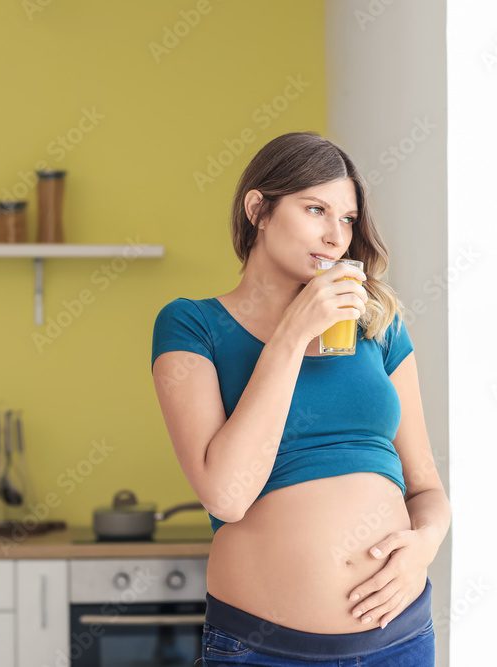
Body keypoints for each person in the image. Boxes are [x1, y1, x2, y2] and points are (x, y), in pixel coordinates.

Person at [151, 132, 451, 666]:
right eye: (316, 209)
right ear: (258, 209)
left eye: (348, 219)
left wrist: (424, 544)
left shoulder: (378, 327)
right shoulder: (192, 325)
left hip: (397, 639)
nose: (336, 236)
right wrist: (292, 335)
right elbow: (226, 496)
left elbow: (426, 487)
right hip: (263, 651)